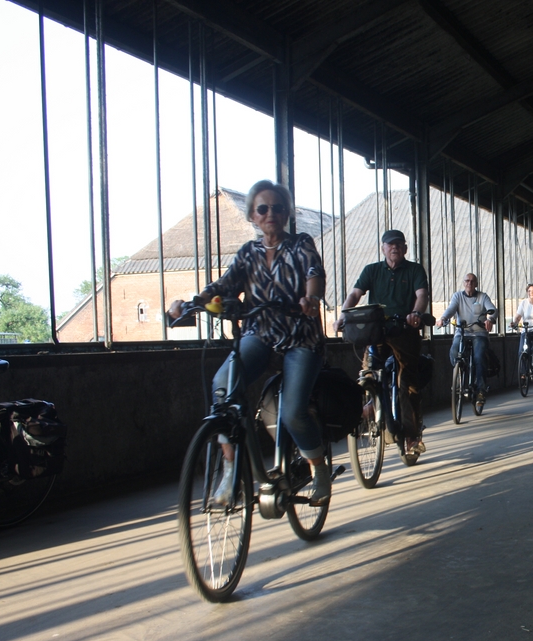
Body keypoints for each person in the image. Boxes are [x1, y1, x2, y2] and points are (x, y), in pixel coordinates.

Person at [168, 180, 331, 506]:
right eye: (263, 208)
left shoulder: (300, 243)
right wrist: (191, 303)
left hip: (301, 338)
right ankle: (231, 473)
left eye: (278, 208)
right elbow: (225, 285)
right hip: (259, 334)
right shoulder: (248, 253)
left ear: (286, 213)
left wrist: (312, 298)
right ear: (252, 216)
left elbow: (315, 273)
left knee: (293, 412)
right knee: (223, 385)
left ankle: (318, 468)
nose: (271, 213)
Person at [334, 229, 430, 456]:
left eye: (398, 244)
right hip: (376, 331)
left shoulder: (415, 270)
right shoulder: (372, 270)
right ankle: (371, 403)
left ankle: (411, 435)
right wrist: (344, 315)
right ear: (383, 248)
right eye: (389, 244)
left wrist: (415, 314)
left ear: (405, 248)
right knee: (368, 372)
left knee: (407, 381)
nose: (394, 247)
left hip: (404, 330)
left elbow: (422, 295)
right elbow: (355, 294)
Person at [436, 273, 497, 408]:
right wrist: (443, 318)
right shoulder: (457, 296)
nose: (469, 283)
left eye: (472, 281)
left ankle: (481, 390)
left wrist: (490, 319)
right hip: (462, 333)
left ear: (476, 284)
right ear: (463, 283)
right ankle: (459, 374)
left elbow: (492, 309)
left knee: (479, 357)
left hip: (479, 334)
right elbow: (451, 309)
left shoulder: (482, 297)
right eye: (467, 281)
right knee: (454, 352)